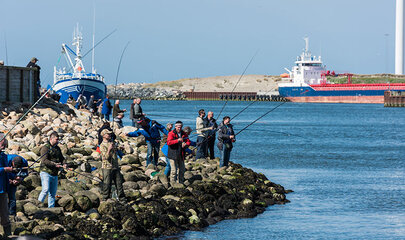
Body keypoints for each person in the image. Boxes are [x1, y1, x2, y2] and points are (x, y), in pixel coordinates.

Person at [38, 131, 66, 208]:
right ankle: (38, 205)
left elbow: (62, 158)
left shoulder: (57, 148)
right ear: (51, 139)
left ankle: (51, 208)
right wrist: (54, 164)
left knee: (52, 193)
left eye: (58, 140)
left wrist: (64, 164)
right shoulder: (45, 148)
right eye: (56, 139)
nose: (57, 141)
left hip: (54, 173)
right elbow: (44, 160)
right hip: (45, 172)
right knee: (45, 190)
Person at [99, 129, 126, 202]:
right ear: (104, 135)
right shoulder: (102, 145)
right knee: (107, 184)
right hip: (107, 167)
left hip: (115, 166)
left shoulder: (112, 142)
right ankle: (105, 199)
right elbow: (105, 157)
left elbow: (117, 150)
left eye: (110, 134)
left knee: (119, 184)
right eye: (108, 134)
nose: (110, 135)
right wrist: (109, 149)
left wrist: (120, 148)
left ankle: (122, 199)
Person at [0, 133, 12, 237]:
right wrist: (4, 169)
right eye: (2, 144)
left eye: (5, 144)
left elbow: (7, 171)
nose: (4, 146)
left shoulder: (4, 156)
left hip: (3, 190)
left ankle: (7, 235)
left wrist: (13, 178)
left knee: (5, 213)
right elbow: (4, 169)